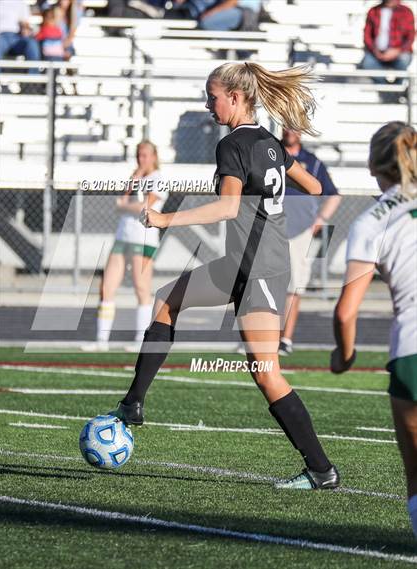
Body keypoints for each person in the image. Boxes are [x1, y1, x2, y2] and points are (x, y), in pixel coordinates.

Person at [110, 62, 340, 490]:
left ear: (235, 98)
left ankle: (322, 470)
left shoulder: (232, 144)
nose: (207, 104)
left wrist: (164, 219)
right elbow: (312, 186)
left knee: (265, 370)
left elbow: (229, 208)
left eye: (212, 96)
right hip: (245, 262)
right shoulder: (268, 141)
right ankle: (133, 403)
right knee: (167, 298)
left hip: (258, 269)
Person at [331, 122, 416, 533]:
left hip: (411, 352)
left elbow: (347, 312)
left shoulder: (370, 221)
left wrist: (345, 357)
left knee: (416, 483)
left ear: (372, 164)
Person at [85, 141, 164, 351]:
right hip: (123, 237)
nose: (142, 159)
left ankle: (140, 340)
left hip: (143, 239)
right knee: (106, 287)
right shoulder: (136, 177)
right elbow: (121, 203)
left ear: (154, 156)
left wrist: (125, 206)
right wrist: (134, 181)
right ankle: (101, 341)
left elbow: (145, 206)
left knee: (141, 287)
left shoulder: (158, 179)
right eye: (139, 155)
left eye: (145, 155)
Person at [278, 129, 341, 356]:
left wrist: (321, 219)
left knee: (294, 285)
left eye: (294, 125)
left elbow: (333, 194)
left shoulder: (311, 162)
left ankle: (285, 339)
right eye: (286, 124)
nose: (289, 130)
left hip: (299, 231)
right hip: (270, 229)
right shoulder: (269, 154)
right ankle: (261, 338)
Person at [360, 0, 415, 97]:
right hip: (377, 52)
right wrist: (375, 51)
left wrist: (397, 51)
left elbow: (410, 36)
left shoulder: (406, 12)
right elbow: (367, 35)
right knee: (367, 63)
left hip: (399, 52)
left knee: (404, 59)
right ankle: (392, 92)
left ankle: (395, 90)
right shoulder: (373, 11)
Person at [0, 0, 41, 74]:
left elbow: (25, 23)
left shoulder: (20, 3)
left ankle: (33, 80)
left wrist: (25, 29)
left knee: (32, 44)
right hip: (0, 36)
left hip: (17, 37)